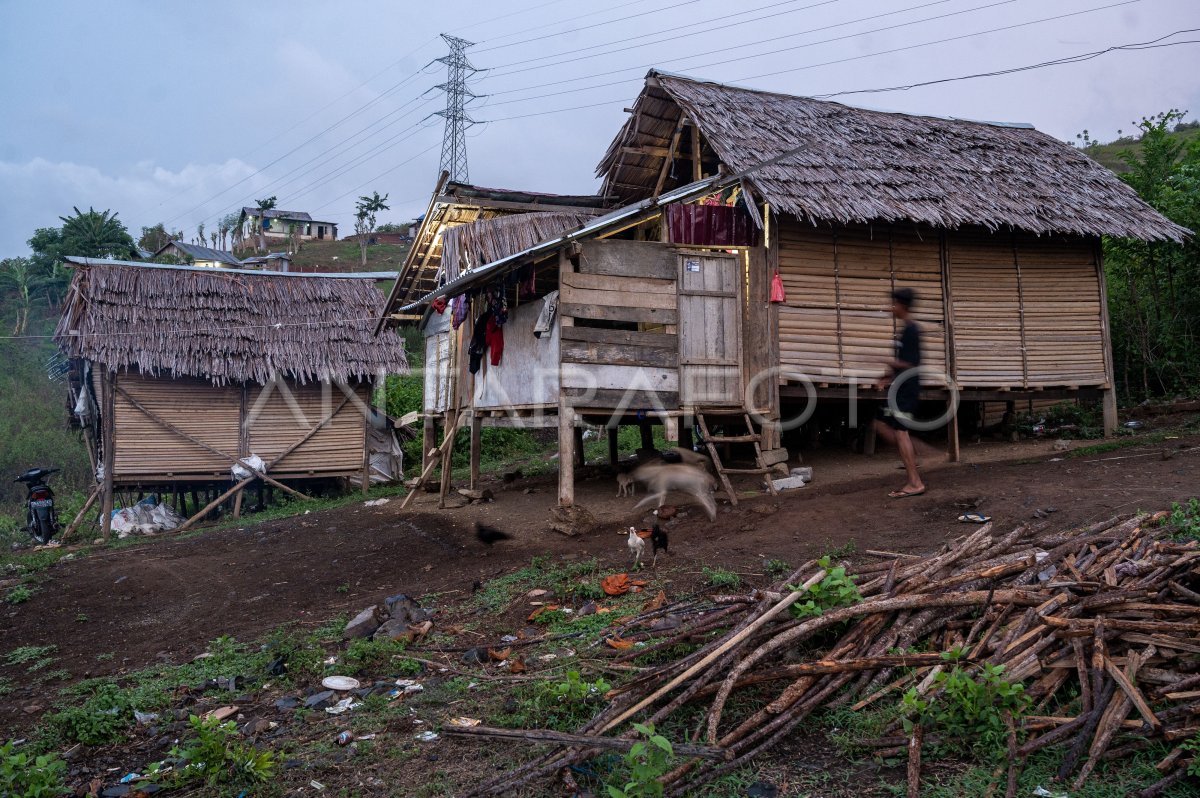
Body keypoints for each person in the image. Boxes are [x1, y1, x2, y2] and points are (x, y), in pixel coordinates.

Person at [875, 288, 925, 498]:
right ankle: (920, 456)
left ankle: (915, 482)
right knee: (881, 423)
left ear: (902, 306)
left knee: (901, 432)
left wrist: (883, 361)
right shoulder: (904, 331)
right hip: (899, 388)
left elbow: (910, 363)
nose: (891, 307)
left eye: (894, 303)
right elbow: (900, 363)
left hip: (907, 389)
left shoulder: (913, 331)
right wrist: (887, 376)